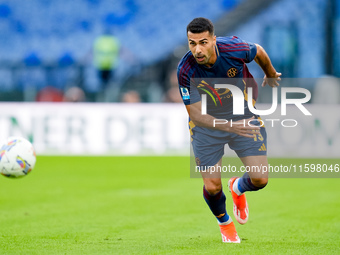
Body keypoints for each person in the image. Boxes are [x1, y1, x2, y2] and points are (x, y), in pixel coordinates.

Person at [177, 17, 281, 243]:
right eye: (192, 43)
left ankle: (237, 186)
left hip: (243, 115)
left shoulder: (233, 48)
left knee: (260, 179)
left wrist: (270, 73)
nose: (197, 49)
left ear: (214, 40)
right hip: (206, 127)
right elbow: (195, 114)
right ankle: (225, 223)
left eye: (203, 42)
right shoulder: (186, 70)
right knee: (212, 186)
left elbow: (259, 51)